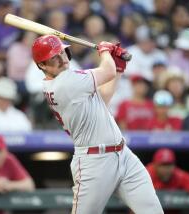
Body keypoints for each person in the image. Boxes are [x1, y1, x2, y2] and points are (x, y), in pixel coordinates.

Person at [31, 35, 163, 213]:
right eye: (54, 57)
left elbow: (103, 99)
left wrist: (118, 69)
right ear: (42, 65)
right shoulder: (64, 83)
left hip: (123, 155)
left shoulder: (68, 82)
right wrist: (105, 50)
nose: (62, 59)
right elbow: (106, 71)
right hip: (93, 162)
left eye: (62, 52)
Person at [146, 148, 189, 214]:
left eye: (169, 165)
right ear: (154, 165)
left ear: (174, 165)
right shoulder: (146, 174)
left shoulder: (178, 175)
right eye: (162, 165)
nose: (166, 169)